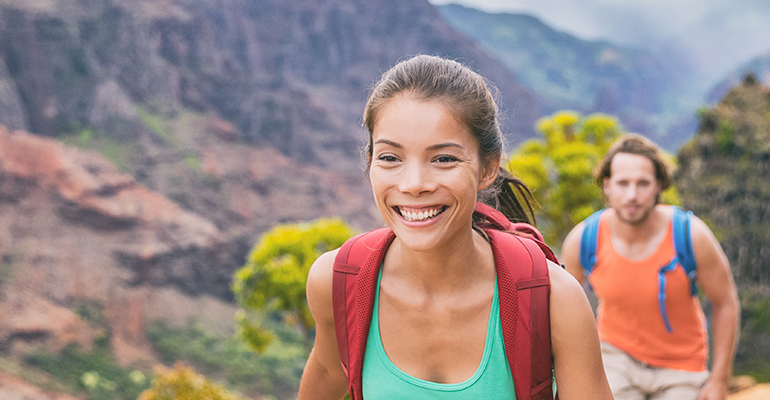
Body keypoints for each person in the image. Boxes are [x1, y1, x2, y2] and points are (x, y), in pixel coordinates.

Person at [298, 55, 614, 399]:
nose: (414, 183)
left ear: (487, 168)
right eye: (390, 157)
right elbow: (330, 372)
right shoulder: (337, 281)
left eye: (444, 158)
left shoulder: (553, 298)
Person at [560, 134, 740, 400]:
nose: (632, 196)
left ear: (658, 185)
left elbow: (725, 302)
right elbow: (561, 311)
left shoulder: (690, 235)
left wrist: (719, 380)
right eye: (623, 183)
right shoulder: (585, 240)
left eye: (642, 183)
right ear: (607, 186)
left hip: (681, 367)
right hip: (615, 360)